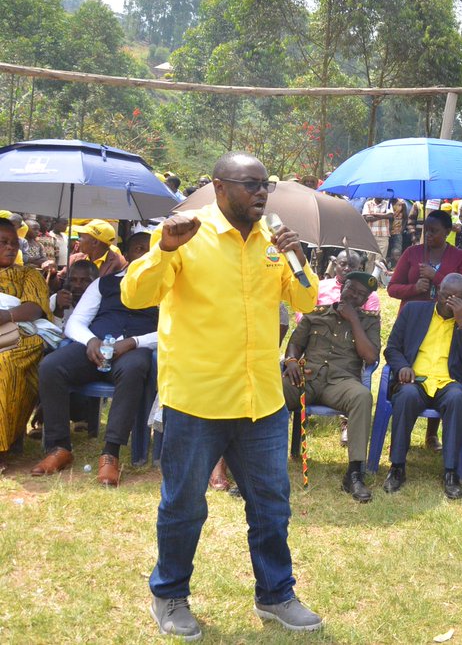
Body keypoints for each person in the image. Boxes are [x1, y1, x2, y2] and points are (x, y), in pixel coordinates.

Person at [121, 152, 323, 637]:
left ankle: (276, 595)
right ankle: (169, 596)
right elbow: (135, 295)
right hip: (198, 399)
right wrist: (164, 250)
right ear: (218, 186)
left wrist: (299, 258)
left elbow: (307, 300)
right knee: (184, 506)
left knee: (272, 505)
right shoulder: (184, 233)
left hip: (262, 401)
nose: (261, 194)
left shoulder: (274, 240)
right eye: (250, 184)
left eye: (265, 186)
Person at [31, 232, 157, 486]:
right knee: (51, 366)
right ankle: (59, 448)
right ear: (128, 253)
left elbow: (172, 329)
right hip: (95, 346)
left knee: (134, 368)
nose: (143, 254)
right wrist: (90, 341)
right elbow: (76, 321)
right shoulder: (103, 283)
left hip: (133, 350)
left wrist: (133, 342)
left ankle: (110, 453)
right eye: (137, 249)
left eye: (149, 249)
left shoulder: (166, 287)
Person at [281, 272, 380, 503]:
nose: (355, 296)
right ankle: (265, 467)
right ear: (342, 287)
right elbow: (295, 344)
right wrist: (292, 361)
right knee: (275, 390)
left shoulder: (369, 320)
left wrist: (354, 320)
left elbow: (370, 356)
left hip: (342, 382)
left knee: (362, 397)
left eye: (361, 295)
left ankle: (354, 474)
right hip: (308, 377)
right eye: (351, 290)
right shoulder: (316, 314)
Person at [383, 273, 462, 500]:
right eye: (446, 296)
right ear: (437, 292)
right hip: (415, 380)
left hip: (447, 383)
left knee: (457, 399)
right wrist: (402, 367)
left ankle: (451, 473)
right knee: (406, 396)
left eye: (457, 299)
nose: (450, 302)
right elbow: (392, 348)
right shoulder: (413, 311)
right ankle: (397, 467)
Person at [0, 219, 51, 460]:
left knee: (5, 363)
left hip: (19, 335)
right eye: (4, 242)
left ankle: (3, 442)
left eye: (14, 243)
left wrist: (6, 315)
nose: (11, 248)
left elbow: (35, 308)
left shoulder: (27, 274)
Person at [388, 210, 462, 307]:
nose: (428, 234)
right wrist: (415, 288)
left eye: (433, 231)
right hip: (412, 315)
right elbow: (392, 288)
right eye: (426, 230)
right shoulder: (411, 252)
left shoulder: (460, 256)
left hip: (444, 318)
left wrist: (435, 276)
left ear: (448, 231)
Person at [312, 250, 381, 314]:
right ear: (335, 266)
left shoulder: (368, 293)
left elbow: (370, 322)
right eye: (343, 264)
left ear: (359, 269)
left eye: (352, 266)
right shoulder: (319, 287)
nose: (347, 268)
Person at [49, 260, 99, 326]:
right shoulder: (56, 299)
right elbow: (49, 333)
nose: (77, 285)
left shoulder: (103, 303)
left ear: (96, 282)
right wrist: (58, 311)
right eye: (73, 280)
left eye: (85, 281)